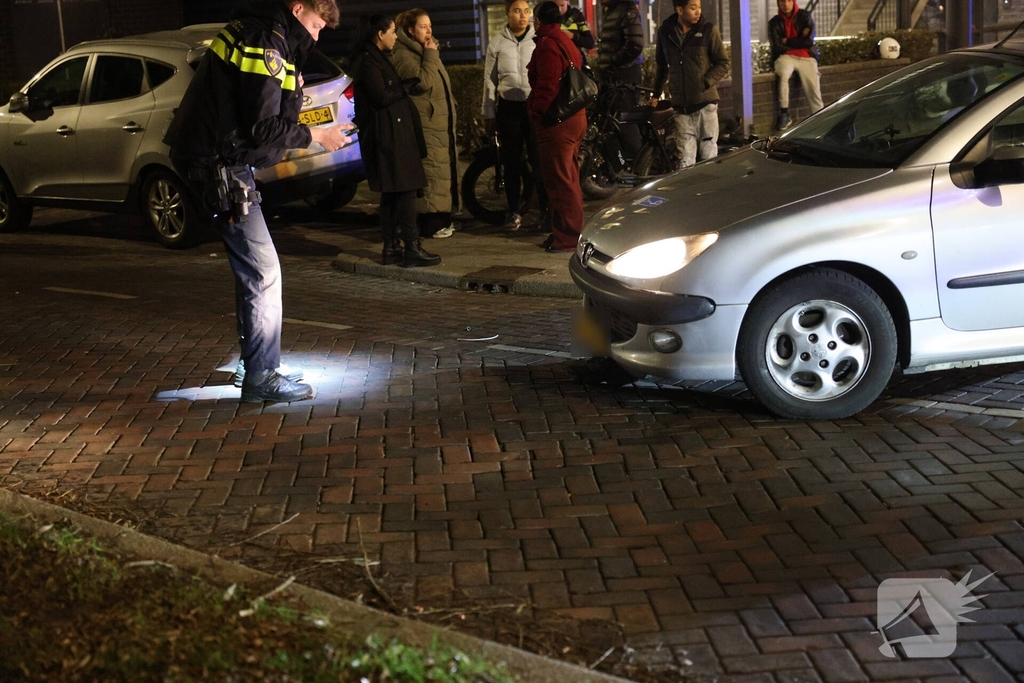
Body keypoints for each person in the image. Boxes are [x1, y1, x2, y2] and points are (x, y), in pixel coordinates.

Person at [164, 0, 352, 403]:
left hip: (219, 160)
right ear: (298, 8)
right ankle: (261, 377)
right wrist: (319, 136)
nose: (316, 37)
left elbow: (258, 108)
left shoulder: (260, 32)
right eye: (316, 25)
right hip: (221, 164)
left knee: (253, 270)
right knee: (264, 271)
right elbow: (264, 127)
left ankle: (255, 365)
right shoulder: (267, 40)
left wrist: (293, 92)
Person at [350, 14, 441, 269]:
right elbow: (380, 95)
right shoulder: (368, 62)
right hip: (388, 135)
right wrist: (405, 87)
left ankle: (392, 247)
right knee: (404, 190)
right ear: (379, 34)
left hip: (391, 132)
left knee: (393, 192)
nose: (394, 36)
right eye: (391, 31)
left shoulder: (377, 58)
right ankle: (411, 247)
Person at [392, 9, 459, 241]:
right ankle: (431, 222)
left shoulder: (425, 50)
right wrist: (430, 55)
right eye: (423, 26)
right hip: (425, 124)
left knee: (441, 169)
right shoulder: (403, 53)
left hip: (438, 123)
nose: (429, 31)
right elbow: (421, 82)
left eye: (430, 25)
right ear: (410, 30)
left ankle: (442, 217)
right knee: (430, 170)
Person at [482, 0, 548, 231]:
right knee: (511, 162)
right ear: (507, 13)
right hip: (508, 108)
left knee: (539, 160)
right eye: (517, 11)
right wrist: (488, 112)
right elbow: (489, 80)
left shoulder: (538, 40)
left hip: (533, 108)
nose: (523, 16)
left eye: (527, 11)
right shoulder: (497, 42)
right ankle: (512, 211)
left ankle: (544, 211)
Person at [527, 1, 587, 253]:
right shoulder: (563, 40)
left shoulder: (547, 44)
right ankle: (562, 233)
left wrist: (534, 112)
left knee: (561, 181)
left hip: (558, 122)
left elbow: (547, 86)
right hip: (574, 117)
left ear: (539, 21)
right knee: (567, 178)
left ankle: (569, 237)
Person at [651, 0, 730, 169]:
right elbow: (662, 66)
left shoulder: (708, 30)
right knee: (686, 159)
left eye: (699, 7)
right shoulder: (665, 33)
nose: (698, 12)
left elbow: (723, 62)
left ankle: (709, 192)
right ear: (680, 9)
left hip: (705, 103)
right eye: (693, 8)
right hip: (681, 106)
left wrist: (705, 82)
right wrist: (655, 94)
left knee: (709, 156)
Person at [595, 0, 644, 155]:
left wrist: (614, 60)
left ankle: (638, 167)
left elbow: (635, 44)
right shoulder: (611, 10)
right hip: (612, 76)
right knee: (610, 123)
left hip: (625, 76)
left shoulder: (627, 10)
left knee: (624, 121)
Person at [768, 0, 823, 132]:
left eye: (788, 1)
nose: (785, 4)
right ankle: (784, 113)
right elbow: (777, 46)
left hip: (806, 56)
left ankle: (821, 119)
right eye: (782, 1)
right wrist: (799, 40)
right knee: (784, 76)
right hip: (785, 56)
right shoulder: (774, 22)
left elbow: (809, 40)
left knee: (813, 87)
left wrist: (788, 41)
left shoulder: (804, 16)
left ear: (793, 2)